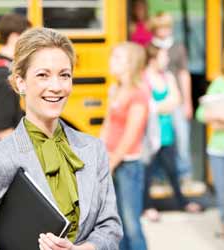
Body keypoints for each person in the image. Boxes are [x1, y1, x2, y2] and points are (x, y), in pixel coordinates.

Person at [0, 27, 123, 250]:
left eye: (64, 75)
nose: (56, 87)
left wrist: (83, 249)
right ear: (20, 82)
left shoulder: (93, 149)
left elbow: (110, 227)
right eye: (43, 75)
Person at [143, 43, 201, 221]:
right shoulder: (144, 78)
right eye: (163, 57)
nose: (167, 60)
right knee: (147, 173)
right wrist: (163, 105)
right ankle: (147, 206)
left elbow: (176, 100)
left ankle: (183, 202)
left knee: (173, 170)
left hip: (167, 133)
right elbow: (147, 106)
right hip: (150, 136)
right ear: (153, 59)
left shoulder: (167, 76)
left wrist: (159, 106)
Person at [100, 42, 148, 250]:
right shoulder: (115, 89)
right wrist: (101, 154)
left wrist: (113, 161)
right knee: (115, 224)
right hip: (111, 160)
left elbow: (131, 134)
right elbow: (107, 124)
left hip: (128, 165)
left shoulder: (139, 94)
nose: (111, 62)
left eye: (117, 58)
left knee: (131, 224)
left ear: (131, 64)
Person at [150, 12, 195, 184]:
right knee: (159, 139)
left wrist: (187, 102)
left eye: (167, 27)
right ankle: (159, 177)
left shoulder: (177, 47)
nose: (164, 31)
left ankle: (184, 174)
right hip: (158, 99)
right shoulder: (151, 48)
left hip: (176, 100)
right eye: (161, 27)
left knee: (182, 137)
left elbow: (184, 75)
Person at [0, 13, 30, 146]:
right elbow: (4, 131)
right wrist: (27, 157)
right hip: (2, 159)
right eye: (27, 39)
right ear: (14, 38)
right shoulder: (4, 78)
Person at [196, 75, 224, 238]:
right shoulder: (219, 83)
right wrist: (217, 117)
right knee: (222, 194)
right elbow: (200, 113)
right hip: (218, 151)